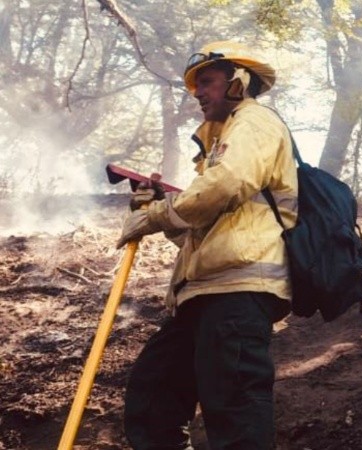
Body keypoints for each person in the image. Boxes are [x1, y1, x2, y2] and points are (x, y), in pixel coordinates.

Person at [116, 40, 297, 449]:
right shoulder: (219, 144)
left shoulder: (254, 122)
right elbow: (196, 227)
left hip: (237, 290)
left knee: (235, 412)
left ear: (239, 82)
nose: (198, 93)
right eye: (196, 85)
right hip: (201, 291)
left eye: (208, 82)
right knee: (153, 397)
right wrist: (160, 209)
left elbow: (228, 183)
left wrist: (155, 216)